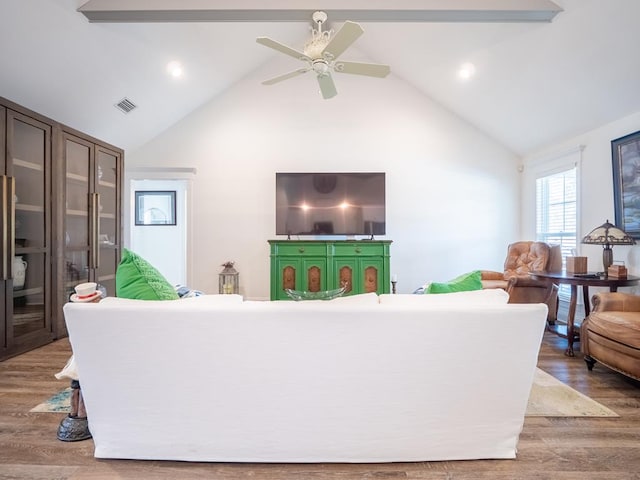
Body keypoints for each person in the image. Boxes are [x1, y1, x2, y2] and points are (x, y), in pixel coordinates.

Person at [55, 282, 104, 442]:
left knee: (78, 386)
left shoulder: (77, 319)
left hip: (83, 362)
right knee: (78, 386)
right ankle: (80, 414)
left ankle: (79, 414)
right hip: (85, 363)